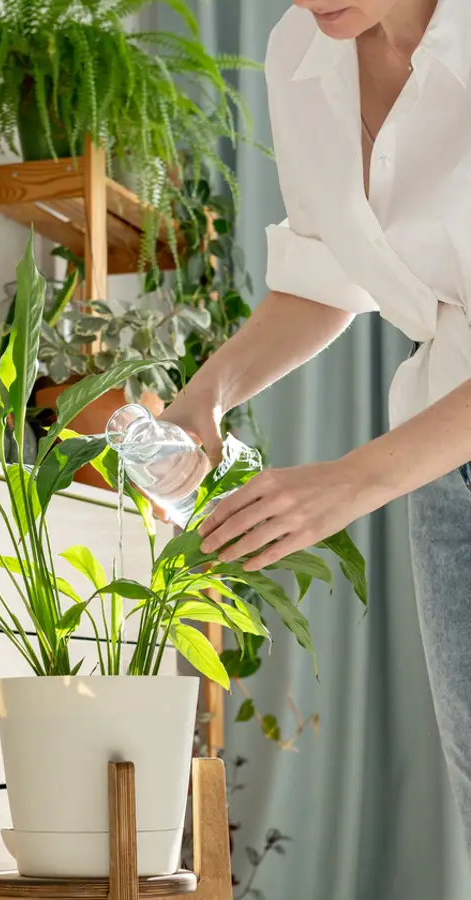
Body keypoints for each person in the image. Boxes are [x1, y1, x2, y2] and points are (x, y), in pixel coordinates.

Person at [159, 0, 471, 856]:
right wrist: (207, 397)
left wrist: (350, 480)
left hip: (415, 459)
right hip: (445, 476)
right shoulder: (303, 53)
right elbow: (322, 275)